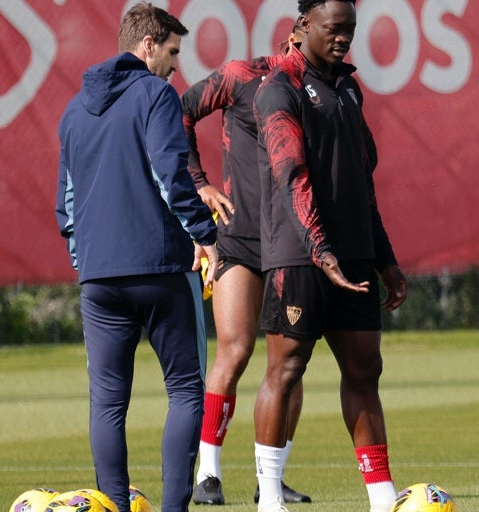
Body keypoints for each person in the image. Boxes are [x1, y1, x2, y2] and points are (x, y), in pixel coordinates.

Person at [55, 3, 217, 512]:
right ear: (147, 45)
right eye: (171, 52)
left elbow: (68, 203)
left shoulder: (73, 109)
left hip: (99, 279)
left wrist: (87, 260)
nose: (175, 65)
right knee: (187, 391)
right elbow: (170, 174)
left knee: (106, 404)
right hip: (162, 268)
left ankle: (112, 508)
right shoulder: (154, 93)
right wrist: (206, 235)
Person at [251, 1, 407, 512]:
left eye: (351, 29)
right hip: (299, 258)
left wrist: (384, 257)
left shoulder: (349, 87)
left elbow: (364, 181)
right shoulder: (279, 88)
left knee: (365, 371)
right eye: (334, 29)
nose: (344, 38)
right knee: (287, 368)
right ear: (302, 27)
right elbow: (291, 175)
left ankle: (382, 498)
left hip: (355, 257)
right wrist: (320, 250)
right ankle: (269, 497)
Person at [181, 21, 312, 506]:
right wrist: (198, 183)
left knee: (290, 366)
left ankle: (271, 481)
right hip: (238, 236)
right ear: (299, 33)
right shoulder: (242, 75)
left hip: (294, 243)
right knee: (234, 352)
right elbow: (180, 113)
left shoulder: (319, 90)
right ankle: (208, 475)